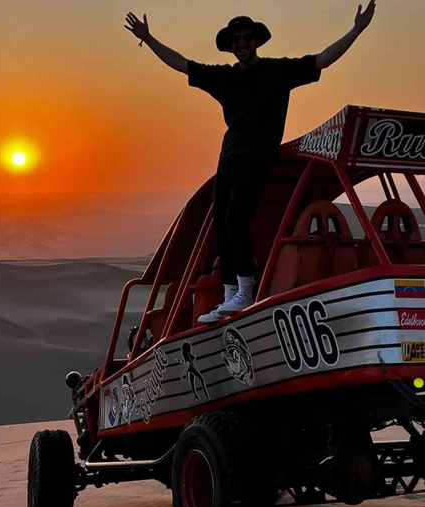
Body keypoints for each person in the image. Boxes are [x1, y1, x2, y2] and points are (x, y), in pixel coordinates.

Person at [124, 3, 377, 323]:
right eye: (236, 40)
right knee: (221, 225)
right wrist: (148, 39)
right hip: (228, 155)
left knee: (235, 221)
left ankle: (245, 288)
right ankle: (230, 294)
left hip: (257, 156)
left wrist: (356, 30)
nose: (242, 44)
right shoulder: (223, 77)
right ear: (230, 46)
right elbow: (182, 64)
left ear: (256, 40)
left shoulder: (277, 71)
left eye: (246, 38)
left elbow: (321, 60)